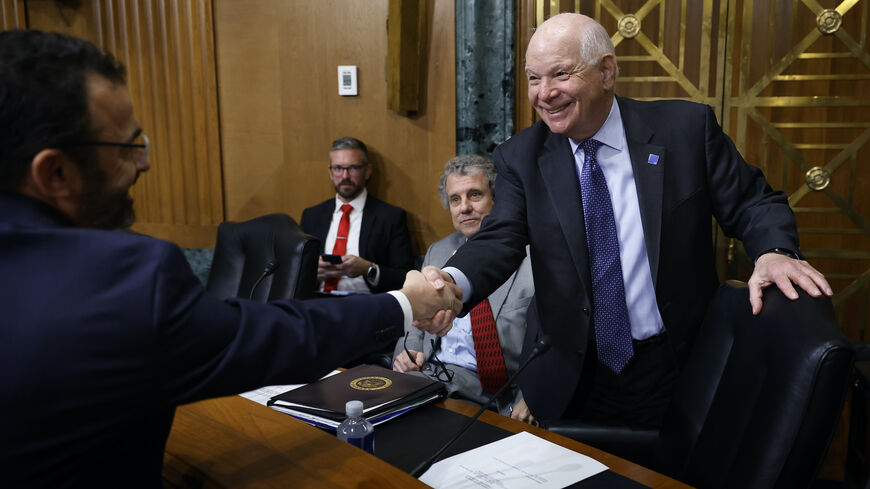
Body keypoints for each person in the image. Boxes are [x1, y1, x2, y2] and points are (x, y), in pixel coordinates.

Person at [0, 30, 460, 488]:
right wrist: (405, 303)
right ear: (55, 173)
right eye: (128, 147)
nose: (143, 165)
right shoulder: (118, 279)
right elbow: (269, 337)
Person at [419, 13, 832, 426]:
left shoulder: (685, 130)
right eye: (532, 78)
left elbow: (753, 203)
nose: (544, 94)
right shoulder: (520, 156)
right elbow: (500, 238)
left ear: (606, 70)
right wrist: (453, 283)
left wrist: (774, 252)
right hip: (568, 373)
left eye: (560, 74)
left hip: (674, 366)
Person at [392, 155, 536, 422]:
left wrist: (532, 395)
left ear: (498, 199)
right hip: (431, 378)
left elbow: (554, 337)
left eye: (475, 195)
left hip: (496, 394)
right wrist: (408, 351)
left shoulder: (534, 258)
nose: (464, 208)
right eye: (455, 200)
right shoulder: (439, 251)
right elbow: (415, 320)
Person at [300, 137, 415, 294]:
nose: (345, 176)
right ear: (330, 172)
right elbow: (294, 272)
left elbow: (405, 276)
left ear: (367, 171)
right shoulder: (311, 216)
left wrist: (368, 269)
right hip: (317, 302)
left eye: (353, 168)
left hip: (367, 304)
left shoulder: (390, 217)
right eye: (338, 168)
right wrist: (311, 271)